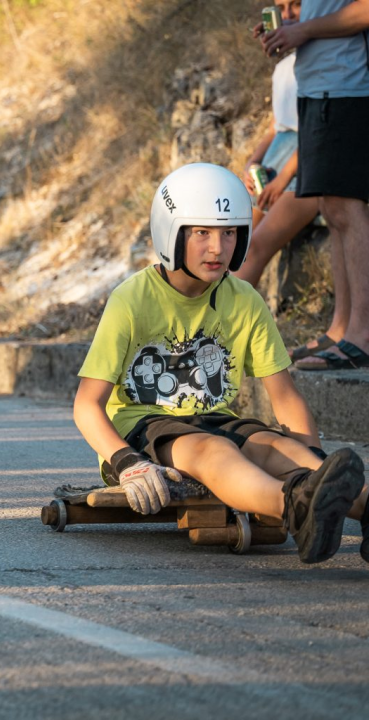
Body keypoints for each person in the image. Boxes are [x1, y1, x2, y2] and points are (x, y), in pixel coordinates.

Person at [74, 163, 367, 565]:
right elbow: (86, 404)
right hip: (144, 430)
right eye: (201, 233)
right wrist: (126, 463)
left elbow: (285, 396)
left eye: (229, 233)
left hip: (217, 417)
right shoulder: (131, 300)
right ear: (170, 232)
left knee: (276, 447)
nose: (217, 248)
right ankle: (297, 509)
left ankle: (341, 500)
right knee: (213, 450)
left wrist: (316, 464)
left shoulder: (244, 298)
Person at [260, 0, 369, 370]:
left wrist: (302, 30)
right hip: (319, 90)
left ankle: (362, 335)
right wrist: (289, 30)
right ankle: (341, 329)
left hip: (346, 88)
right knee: (332, 208)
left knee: (346, 208)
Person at [235, 0, 321, 314]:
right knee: (234, 243)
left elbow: (314, 131)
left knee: (257, 246)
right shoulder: (284, 66)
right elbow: (277, 126)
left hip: (303, 168)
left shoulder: (324, 63)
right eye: (281, 8)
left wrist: (284, 178)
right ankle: (205, 325)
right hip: (274, 163)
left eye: (296, 6)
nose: (287, 16)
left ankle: (224, 328)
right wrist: (252, 162)